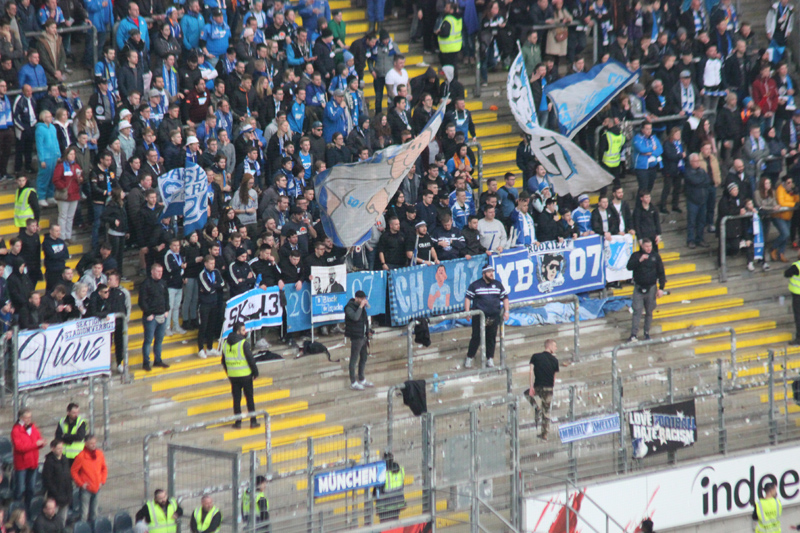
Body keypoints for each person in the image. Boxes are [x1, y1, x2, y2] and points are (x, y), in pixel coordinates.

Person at [464, 264, 509, 368]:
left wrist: (506, 311)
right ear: (484, 274)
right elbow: (468, 298)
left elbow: (505, 298)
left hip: (494, 316)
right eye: (489, 272)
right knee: (476, 337)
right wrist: (467, 312)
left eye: (492, 272)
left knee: (491, 338)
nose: (491, 274)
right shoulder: (475, 285)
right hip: (479, 317)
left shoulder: (498, 285)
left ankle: (490, 358)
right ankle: (469, 357)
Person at [222, 321, 260, 428]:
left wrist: (229, 372)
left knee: (236, 400)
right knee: (249, 399)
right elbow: (251, 360)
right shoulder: (243, 343)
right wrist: (255, 372)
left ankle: (238, 422)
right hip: (245, 376)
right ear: (238, 332)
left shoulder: (225, 344)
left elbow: (223, 361)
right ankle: (253, 421)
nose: (245, 332)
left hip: (233, 376)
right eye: (243, 330)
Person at [626, 238, 666, 341]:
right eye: (646, 246)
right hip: (638, 287)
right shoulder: (636, 255)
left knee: (649, 311)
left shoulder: (655, 256)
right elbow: (629, 267)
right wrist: (639, 260)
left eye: (650, 246)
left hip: (651, 287)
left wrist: (661, 288)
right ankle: (634, 334)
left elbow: (661, 272)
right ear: (642, 246)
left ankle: (646, 332)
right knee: (637, 311)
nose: (648, 249)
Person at [139, 263, 171, 371]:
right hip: (151, 317)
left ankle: (158, 360)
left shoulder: (163, 283)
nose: (160, 274)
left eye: (161, 271)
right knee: (148, 340)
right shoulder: (146, 284)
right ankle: (146, 362)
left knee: (159, 340)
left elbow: (166, 297)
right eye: (157, 271)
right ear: (152, 272)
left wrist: (167, 309)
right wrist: (148, 313)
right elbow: (142, 301)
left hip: (162, 315)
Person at [11, 408, 44, 509]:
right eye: (27, 417)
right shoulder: (16, 430)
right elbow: (19, 447)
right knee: (20, 489)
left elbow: (38, 439)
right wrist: (35, 444)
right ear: (21, 418)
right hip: (22, 464)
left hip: (33, 462)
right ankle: (17, 510)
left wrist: (41, 443)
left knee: (31, 489)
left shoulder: (33, 427)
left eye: (30, 417)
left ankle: (28, 510)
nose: (29, 419)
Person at [70, 434, 106, 522]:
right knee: (84, 514)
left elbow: (104, 468)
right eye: (91, 443)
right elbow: (73, 471)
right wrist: (81, 484)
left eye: (94, 443)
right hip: (86, 489)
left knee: (94, 513)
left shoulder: (99, 454)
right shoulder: (81, 456)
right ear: (86, 444)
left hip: (97, 488)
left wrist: (102, 481)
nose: (94, 445)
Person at [528, 339, 559, 440]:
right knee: (547, 411)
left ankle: (537, 407)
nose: (556, 348)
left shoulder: (535, 356)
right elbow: (554, 378)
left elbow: (531, 371)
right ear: (549, 347)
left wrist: (531, 386)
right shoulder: (555, 360)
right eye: (554, 346)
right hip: (549, 388)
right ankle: (544, 433)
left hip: (538, 386)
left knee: (527, 394)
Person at [344, 290, 372, 391]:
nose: (363, 301)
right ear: (356, 298)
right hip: (356, 336)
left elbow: (364, 320)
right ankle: (353, 382)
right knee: (354, 359)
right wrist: (360, 307)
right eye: (361, 299)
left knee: (364, 357)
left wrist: (368, 331)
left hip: (363, 335)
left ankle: (361, 378)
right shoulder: (349, 308)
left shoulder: (363, 308)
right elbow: (355, 318)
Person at [41, 440, 71, 527]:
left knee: (62, 520)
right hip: (55, 497)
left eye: (62, 448)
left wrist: (69, 493)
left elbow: (68, 477)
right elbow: (47, 480)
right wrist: (56, 493)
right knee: (53, 520)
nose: (61, 450)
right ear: (52, 449)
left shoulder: (64, 459)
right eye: (58, 448)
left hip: (65, 495)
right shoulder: (49, 462)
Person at [373, 452, 405, 522]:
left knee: (385, 525)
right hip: (398, 503)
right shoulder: (401, 470)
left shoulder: (383, 474)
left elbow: (376, 492)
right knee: (395, 523)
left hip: (385, 506)